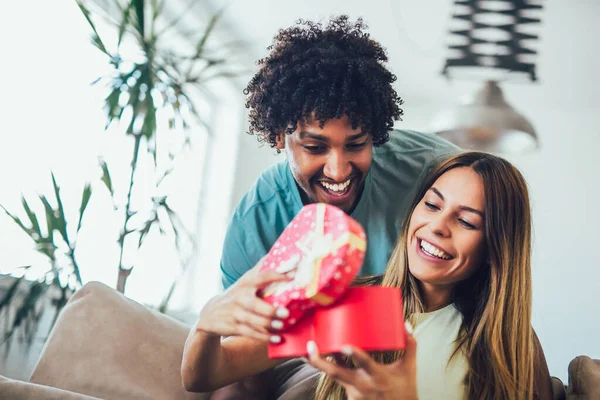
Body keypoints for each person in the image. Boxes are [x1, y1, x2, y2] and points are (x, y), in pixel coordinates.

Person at [182, 152, 553, 400]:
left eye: (467, 221)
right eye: (432, 204)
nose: (436, 226)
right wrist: (206, 327)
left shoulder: (513, 344)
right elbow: (206, 375)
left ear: (495, 250)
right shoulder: (354, 306)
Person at [220, 14, 458, 290]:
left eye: (356, 144)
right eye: (315, 148)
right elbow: (236, 329)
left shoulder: (434, 168)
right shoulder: (255, 224)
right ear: (279, 137)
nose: (338, 170)